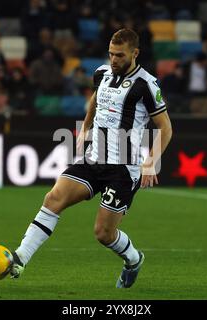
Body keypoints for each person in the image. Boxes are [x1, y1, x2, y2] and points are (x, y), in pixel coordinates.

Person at [9, 28, 173, 289]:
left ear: (135, 53)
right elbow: (96, 99)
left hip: (122, 169)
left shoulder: (147, 85)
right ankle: (20, 258)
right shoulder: (102, 73)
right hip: (93, 159)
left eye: (119, 55)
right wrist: (85, 127)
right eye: (111, 54)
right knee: (53, 198)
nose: (114, 60)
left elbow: (165, 127)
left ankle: (133, 259)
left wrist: (151, 161)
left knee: (103, 234)